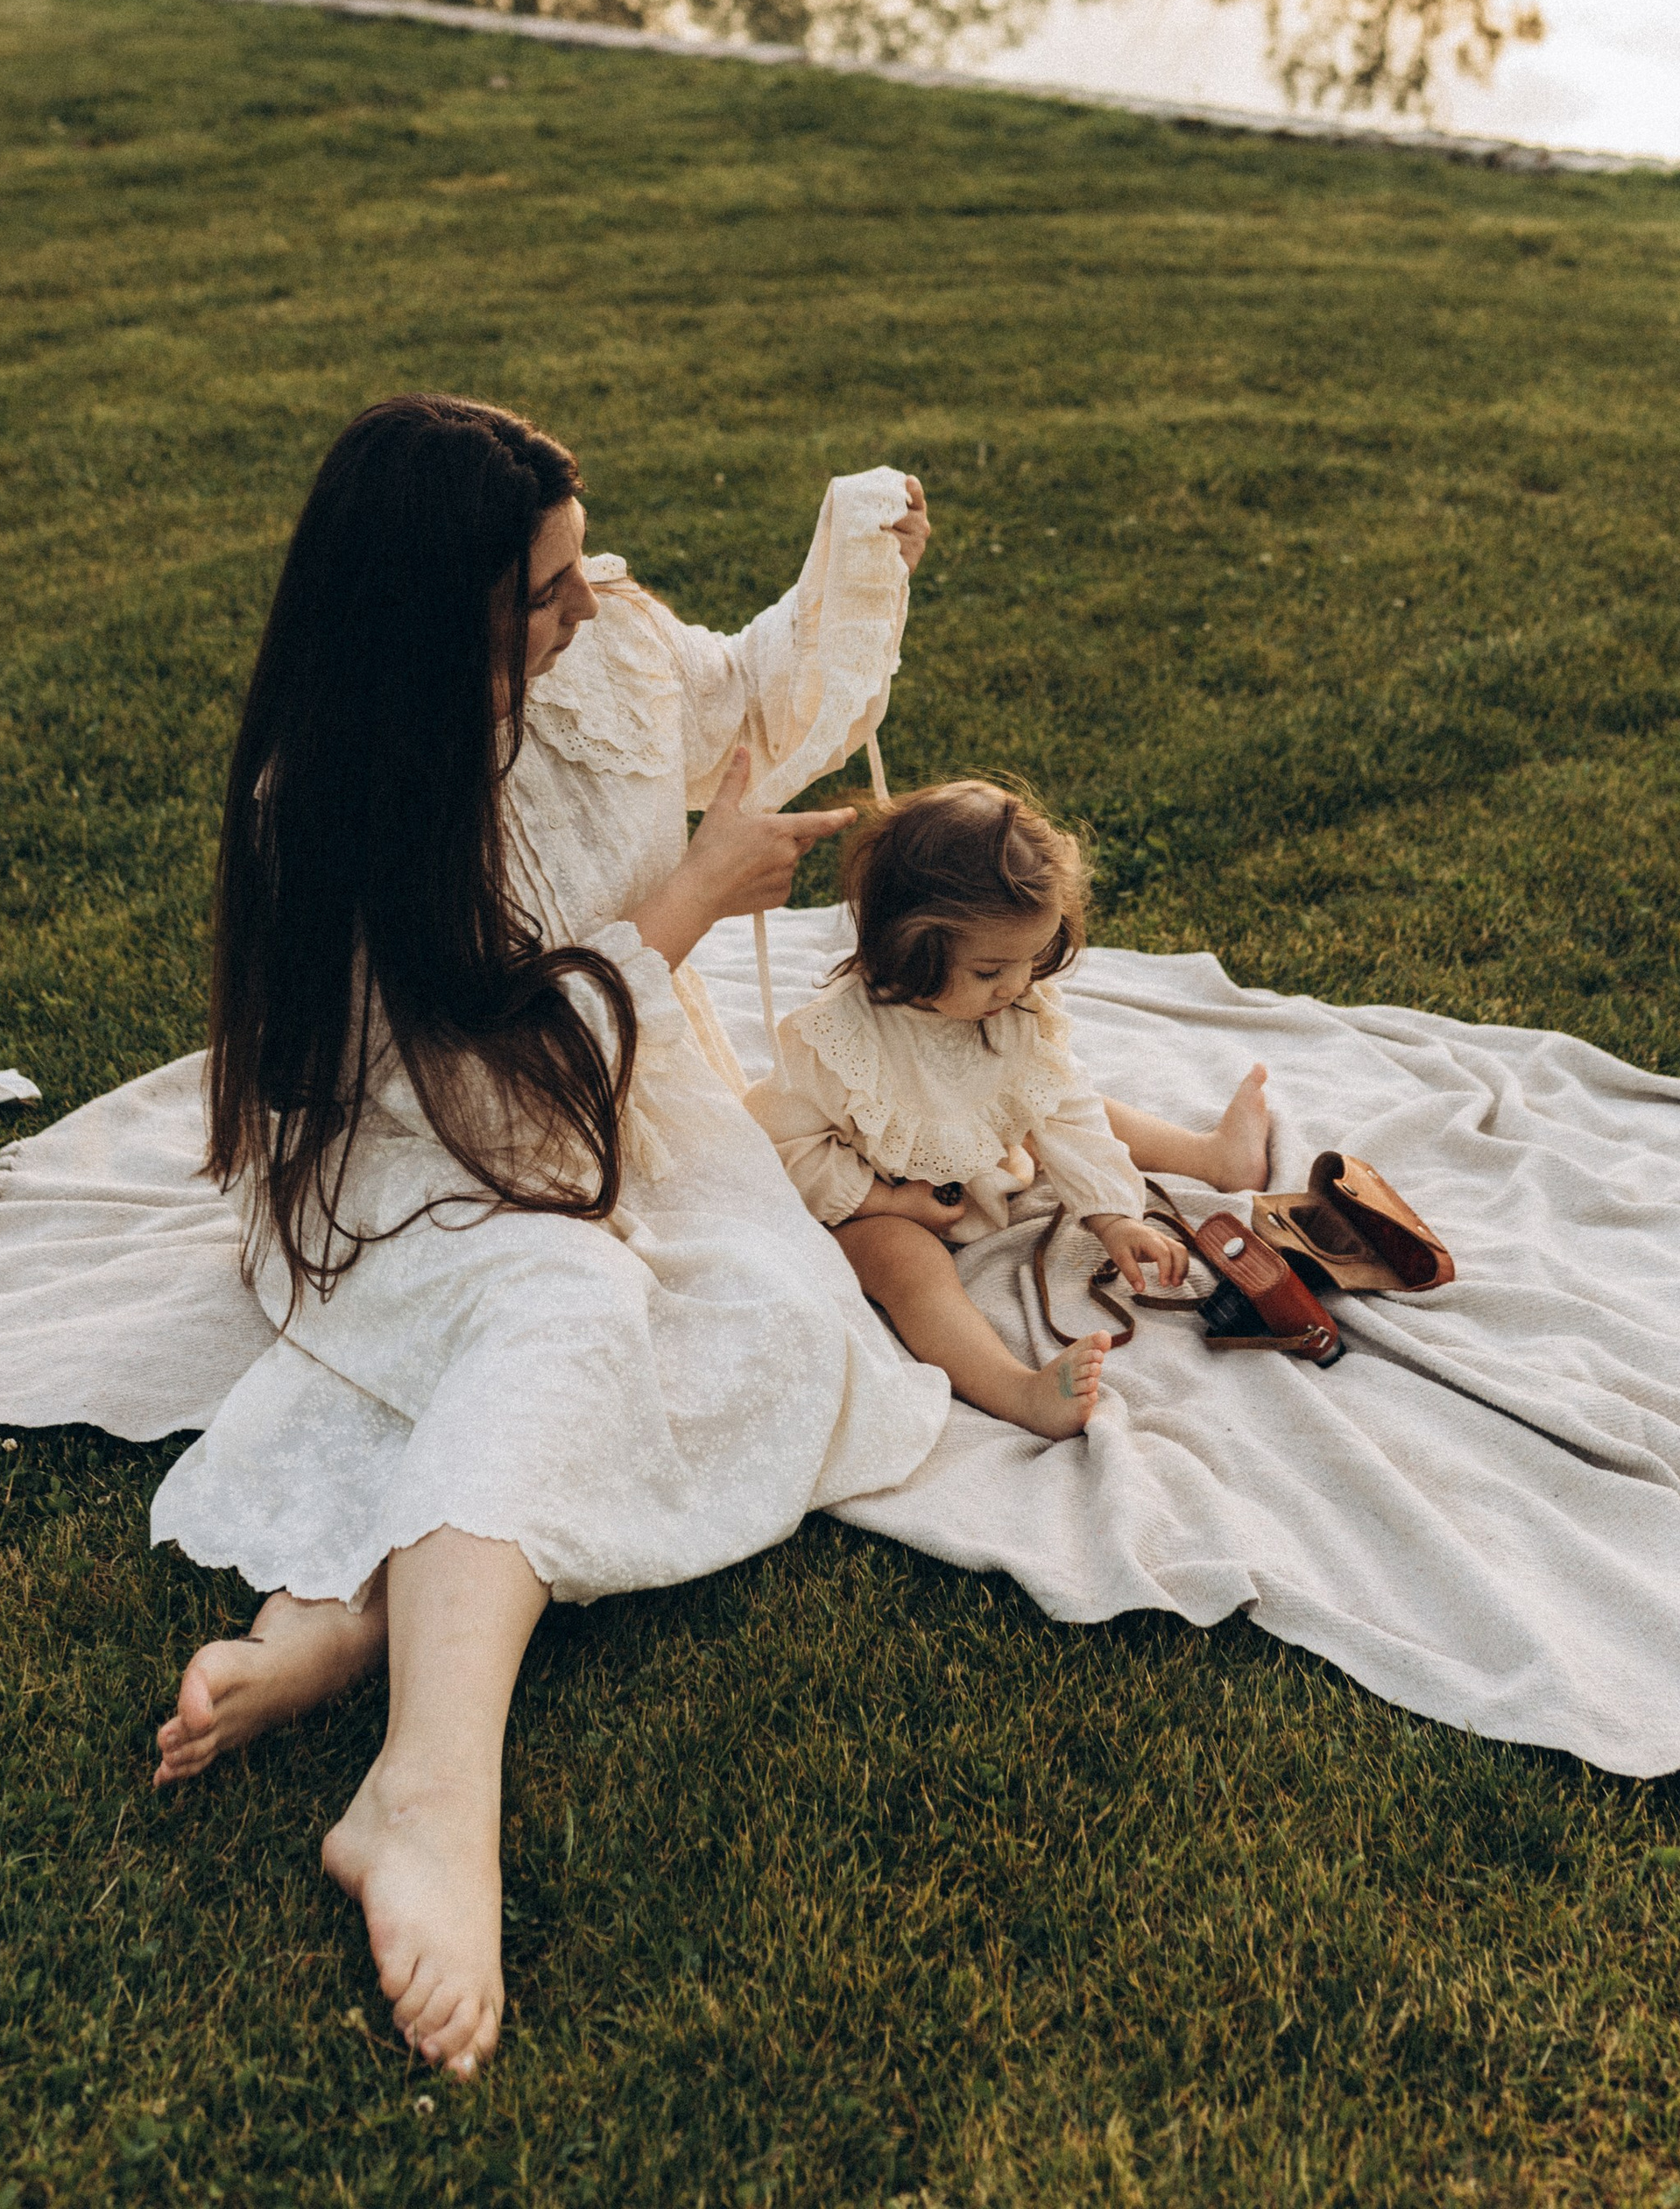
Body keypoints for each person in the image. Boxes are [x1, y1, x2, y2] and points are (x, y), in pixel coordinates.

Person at [147, 395, 949, 2081]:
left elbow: (733, 695)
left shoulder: (602, 646)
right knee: (568, 1298)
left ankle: (364, 1611)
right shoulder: (335, 805)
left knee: (787, 1329)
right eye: (548, 592)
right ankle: (431, 1793)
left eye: (582, 573)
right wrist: (689, 900)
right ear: (431, 615)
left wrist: (851, 551)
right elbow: (471, 1104)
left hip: (613, 1099)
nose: (591, 610)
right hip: (407, 1157)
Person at [747, 781, 1272, 1438]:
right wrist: (888, 1200)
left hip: (987, 1164)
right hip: (880, 1201)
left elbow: (1071, 1117)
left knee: (1063, 1097)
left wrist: (1113, 1218)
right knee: (908, 1270)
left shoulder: (1014, 1009)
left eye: (1031, 960)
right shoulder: (837, 1044)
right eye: (992, 970)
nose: (1018, 985)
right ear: (911, 949)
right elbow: (781, 1150)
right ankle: (1016, 1389)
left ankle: (1211, 1157)